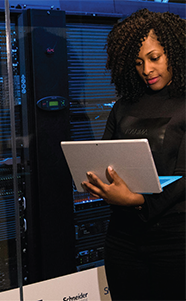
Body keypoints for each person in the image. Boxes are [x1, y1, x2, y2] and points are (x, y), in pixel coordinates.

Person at [82, 8, 185, 301]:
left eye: (155, 58)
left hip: (176, 239)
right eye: (138, 63)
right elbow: (104, 158)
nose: (147, 70)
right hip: (123, 239)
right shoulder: (124, 106)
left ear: (175, 52)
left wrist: (138, 201)